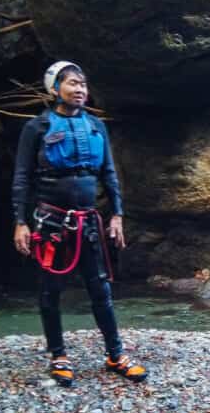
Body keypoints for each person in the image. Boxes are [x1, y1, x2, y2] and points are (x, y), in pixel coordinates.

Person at [11, 61, 146, 387]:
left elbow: (109, 175)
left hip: (88, 223)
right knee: (50, 291)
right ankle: (58, 356)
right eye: (72, 83)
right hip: (51, 224)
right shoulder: (37, 128)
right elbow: (22, 177)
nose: (80, 89)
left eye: (83, 84)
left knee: (100, 288)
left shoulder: (97, 127)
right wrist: (20, 221)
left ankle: (115, 354)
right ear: (55, 89)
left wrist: (117, 215)